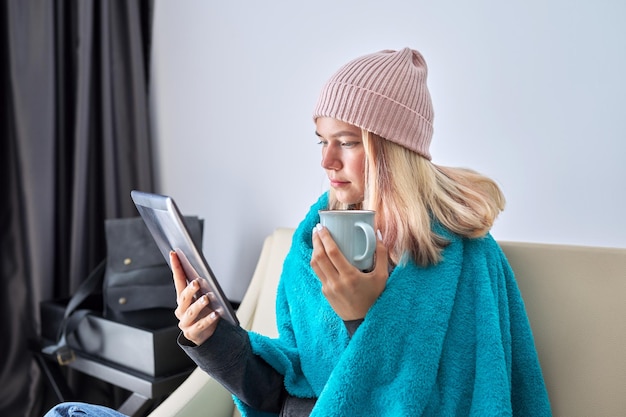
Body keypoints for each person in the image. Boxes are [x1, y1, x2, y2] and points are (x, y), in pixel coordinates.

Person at [45, 48, 551, 416]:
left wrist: (363, 319)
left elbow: (442, 401)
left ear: (394, 149)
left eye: (347, 142)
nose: (327, 161)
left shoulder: (462, 260)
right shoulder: (312, 243)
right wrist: (213, 339)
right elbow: (283, 390)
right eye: (321, 141)